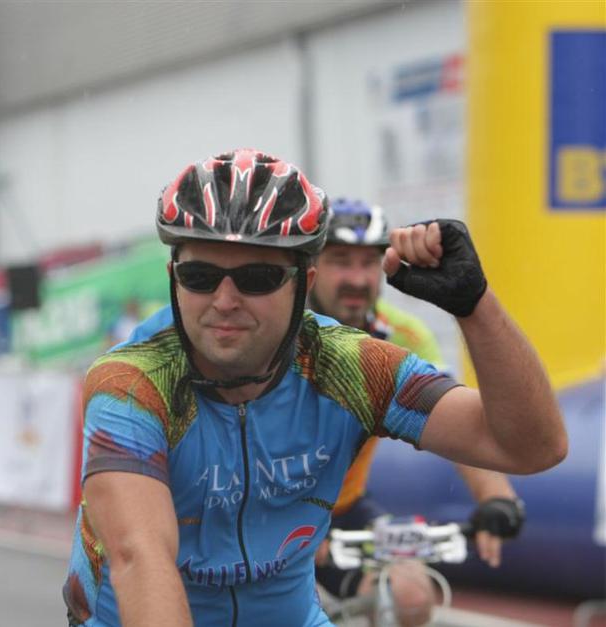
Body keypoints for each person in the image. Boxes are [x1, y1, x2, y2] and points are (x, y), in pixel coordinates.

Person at [62, 149, 566, 626]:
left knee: (411, 596)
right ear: (174, 276)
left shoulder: (348, 366)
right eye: (200, 276)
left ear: (304, 280)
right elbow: (140, 556)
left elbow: (532, 447)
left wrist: (475, 306)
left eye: (258, 278)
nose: (225, 300)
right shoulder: (133, 382)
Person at [310, 198, 525, 625]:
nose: (357, 279)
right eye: (341, 262)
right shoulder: (284, 327)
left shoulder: (405, 335)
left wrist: (495, 497)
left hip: (344, 507)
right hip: (263, 507)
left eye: (368, 263)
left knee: (409, 596)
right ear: (311, 266)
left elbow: (458, 421)